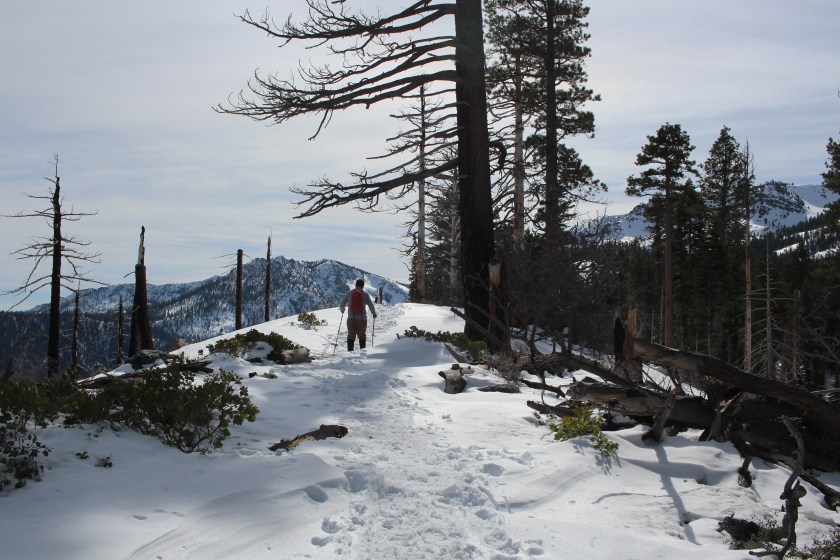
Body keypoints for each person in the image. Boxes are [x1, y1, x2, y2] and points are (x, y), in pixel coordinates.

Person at [339, 279, 377, 351]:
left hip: (351, 318)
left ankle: (350, 352)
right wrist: (374, 313)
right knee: (362, 335)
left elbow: (342, 304)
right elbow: (370, 305)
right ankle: (362, 351)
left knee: (351, 335)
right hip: (362, 319)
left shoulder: (349, 293)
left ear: (355, 285)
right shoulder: (365, 294)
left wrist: (342, 310)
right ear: (363, 286)